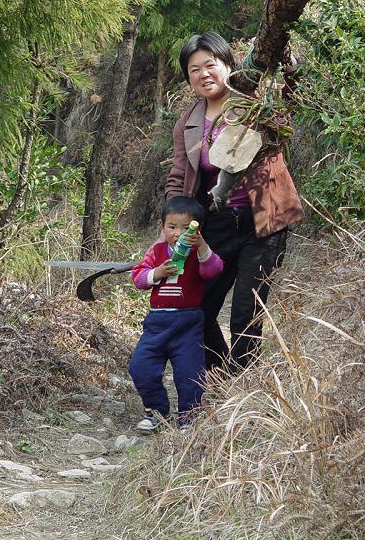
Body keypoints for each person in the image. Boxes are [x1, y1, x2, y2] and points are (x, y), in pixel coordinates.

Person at [165, 31, 303, 372]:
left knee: (246, 314)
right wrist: (173, 220)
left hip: (264, 223)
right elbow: (179, 175)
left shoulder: (255, 103)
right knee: (198, 311)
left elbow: (291, 94)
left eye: (210, 65)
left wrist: (290, 64)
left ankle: (242, 390)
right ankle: (224, 377)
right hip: (216, 226)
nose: (203, 74)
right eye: (193, 70)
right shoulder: (188, 124)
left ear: (228, 65)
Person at [129, 195, 223, 432]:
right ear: (162, 227)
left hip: (188, 322)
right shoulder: (157, 252)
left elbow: (214, 269)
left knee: (190, 374)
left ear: (196, 229)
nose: (177, 233)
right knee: (141, 367)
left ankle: (188, 419)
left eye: (184, 228)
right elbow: (138, 278)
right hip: (157, 323)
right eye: (171, 227)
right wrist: (157, 273)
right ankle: (157, 412)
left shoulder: (198, 253)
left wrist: (201, 246)